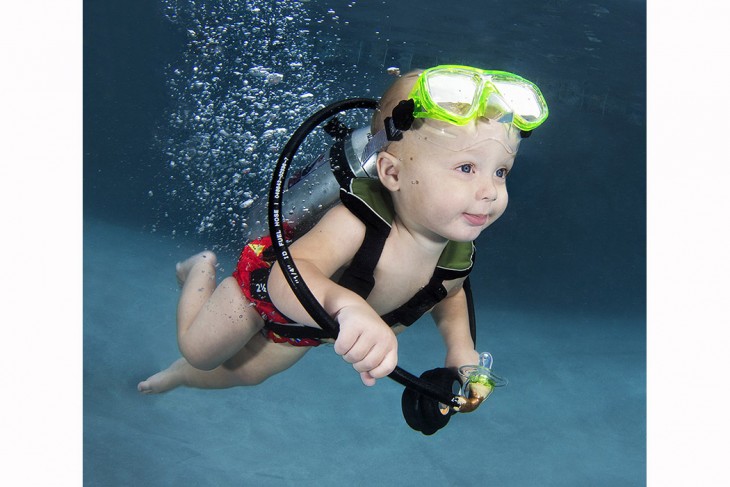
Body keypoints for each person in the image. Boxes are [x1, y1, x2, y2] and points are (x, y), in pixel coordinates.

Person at [138, 65, 548, 394]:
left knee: (245, 374)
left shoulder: (455, 252)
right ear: (391, 172)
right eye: (465, 169)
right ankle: (200, 268)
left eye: (501, 172)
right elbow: (289, 277)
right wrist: (347, 307)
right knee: (200, 352)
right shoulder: (359, 221)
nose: (489, 191)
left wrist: (460, 350)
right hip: (259, 294)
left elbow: (451, 292)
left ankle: (177, 377)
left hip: (309, 328)